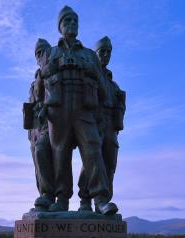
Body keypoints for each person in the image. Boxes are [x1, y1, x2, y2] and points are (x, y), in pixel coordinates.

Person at [41, 6, 117, 215]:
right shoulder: (51, 52)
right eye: (67, 21)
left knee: (93, 148)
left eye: (75, 21)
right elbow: (43, 81)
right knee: (60, 153)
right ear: (60, 27)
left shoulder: (90, 55)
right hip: (59, 108)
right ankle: (61, 199)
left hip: (85, 108)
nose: (72, 24)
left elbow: (103, 87)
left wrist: (90, 68)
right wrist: (58, 64)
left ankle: (100, 199)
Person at [78, 36, 125, 212]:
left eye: (108, 52)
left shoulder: (113, 83)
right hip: (93, 121)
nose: (105, 55)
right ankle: (85, 200)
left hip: (110, 125)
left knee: (109, 164)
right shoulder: (88, 75)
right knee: (91, 160)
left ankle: (104, 202)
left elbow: (118, 103)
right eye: (102, 51)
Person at [24, 38, 56, 210]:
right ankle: (44, 197)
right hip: (35, 128)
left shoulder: (52, 73)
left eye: (43, 51)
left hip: (51, 122)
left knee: (42, 151)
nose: (41, 55)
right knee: (38, 162)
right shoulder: (36, 78)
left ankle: (48, 194)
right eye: (38, 53)